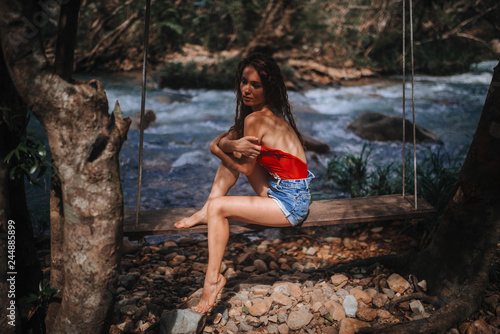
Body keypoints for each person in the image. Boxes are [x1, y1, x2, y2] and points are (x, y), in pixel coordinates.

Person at [174, 53, 314, 313]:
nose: (247, 89)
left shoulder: (255, 119)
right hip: (285, 191)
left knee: (219, 207)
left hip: (290, 204)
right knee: (231, 154)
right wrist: (227, 144)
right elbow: (229, 138)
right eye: (244, 82)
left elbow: (244, 166)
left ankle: (213, 280)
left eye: (256, 85)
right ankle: (205, 209)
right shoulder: (261, 117)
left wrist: (217, 149)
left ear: (268, 89)